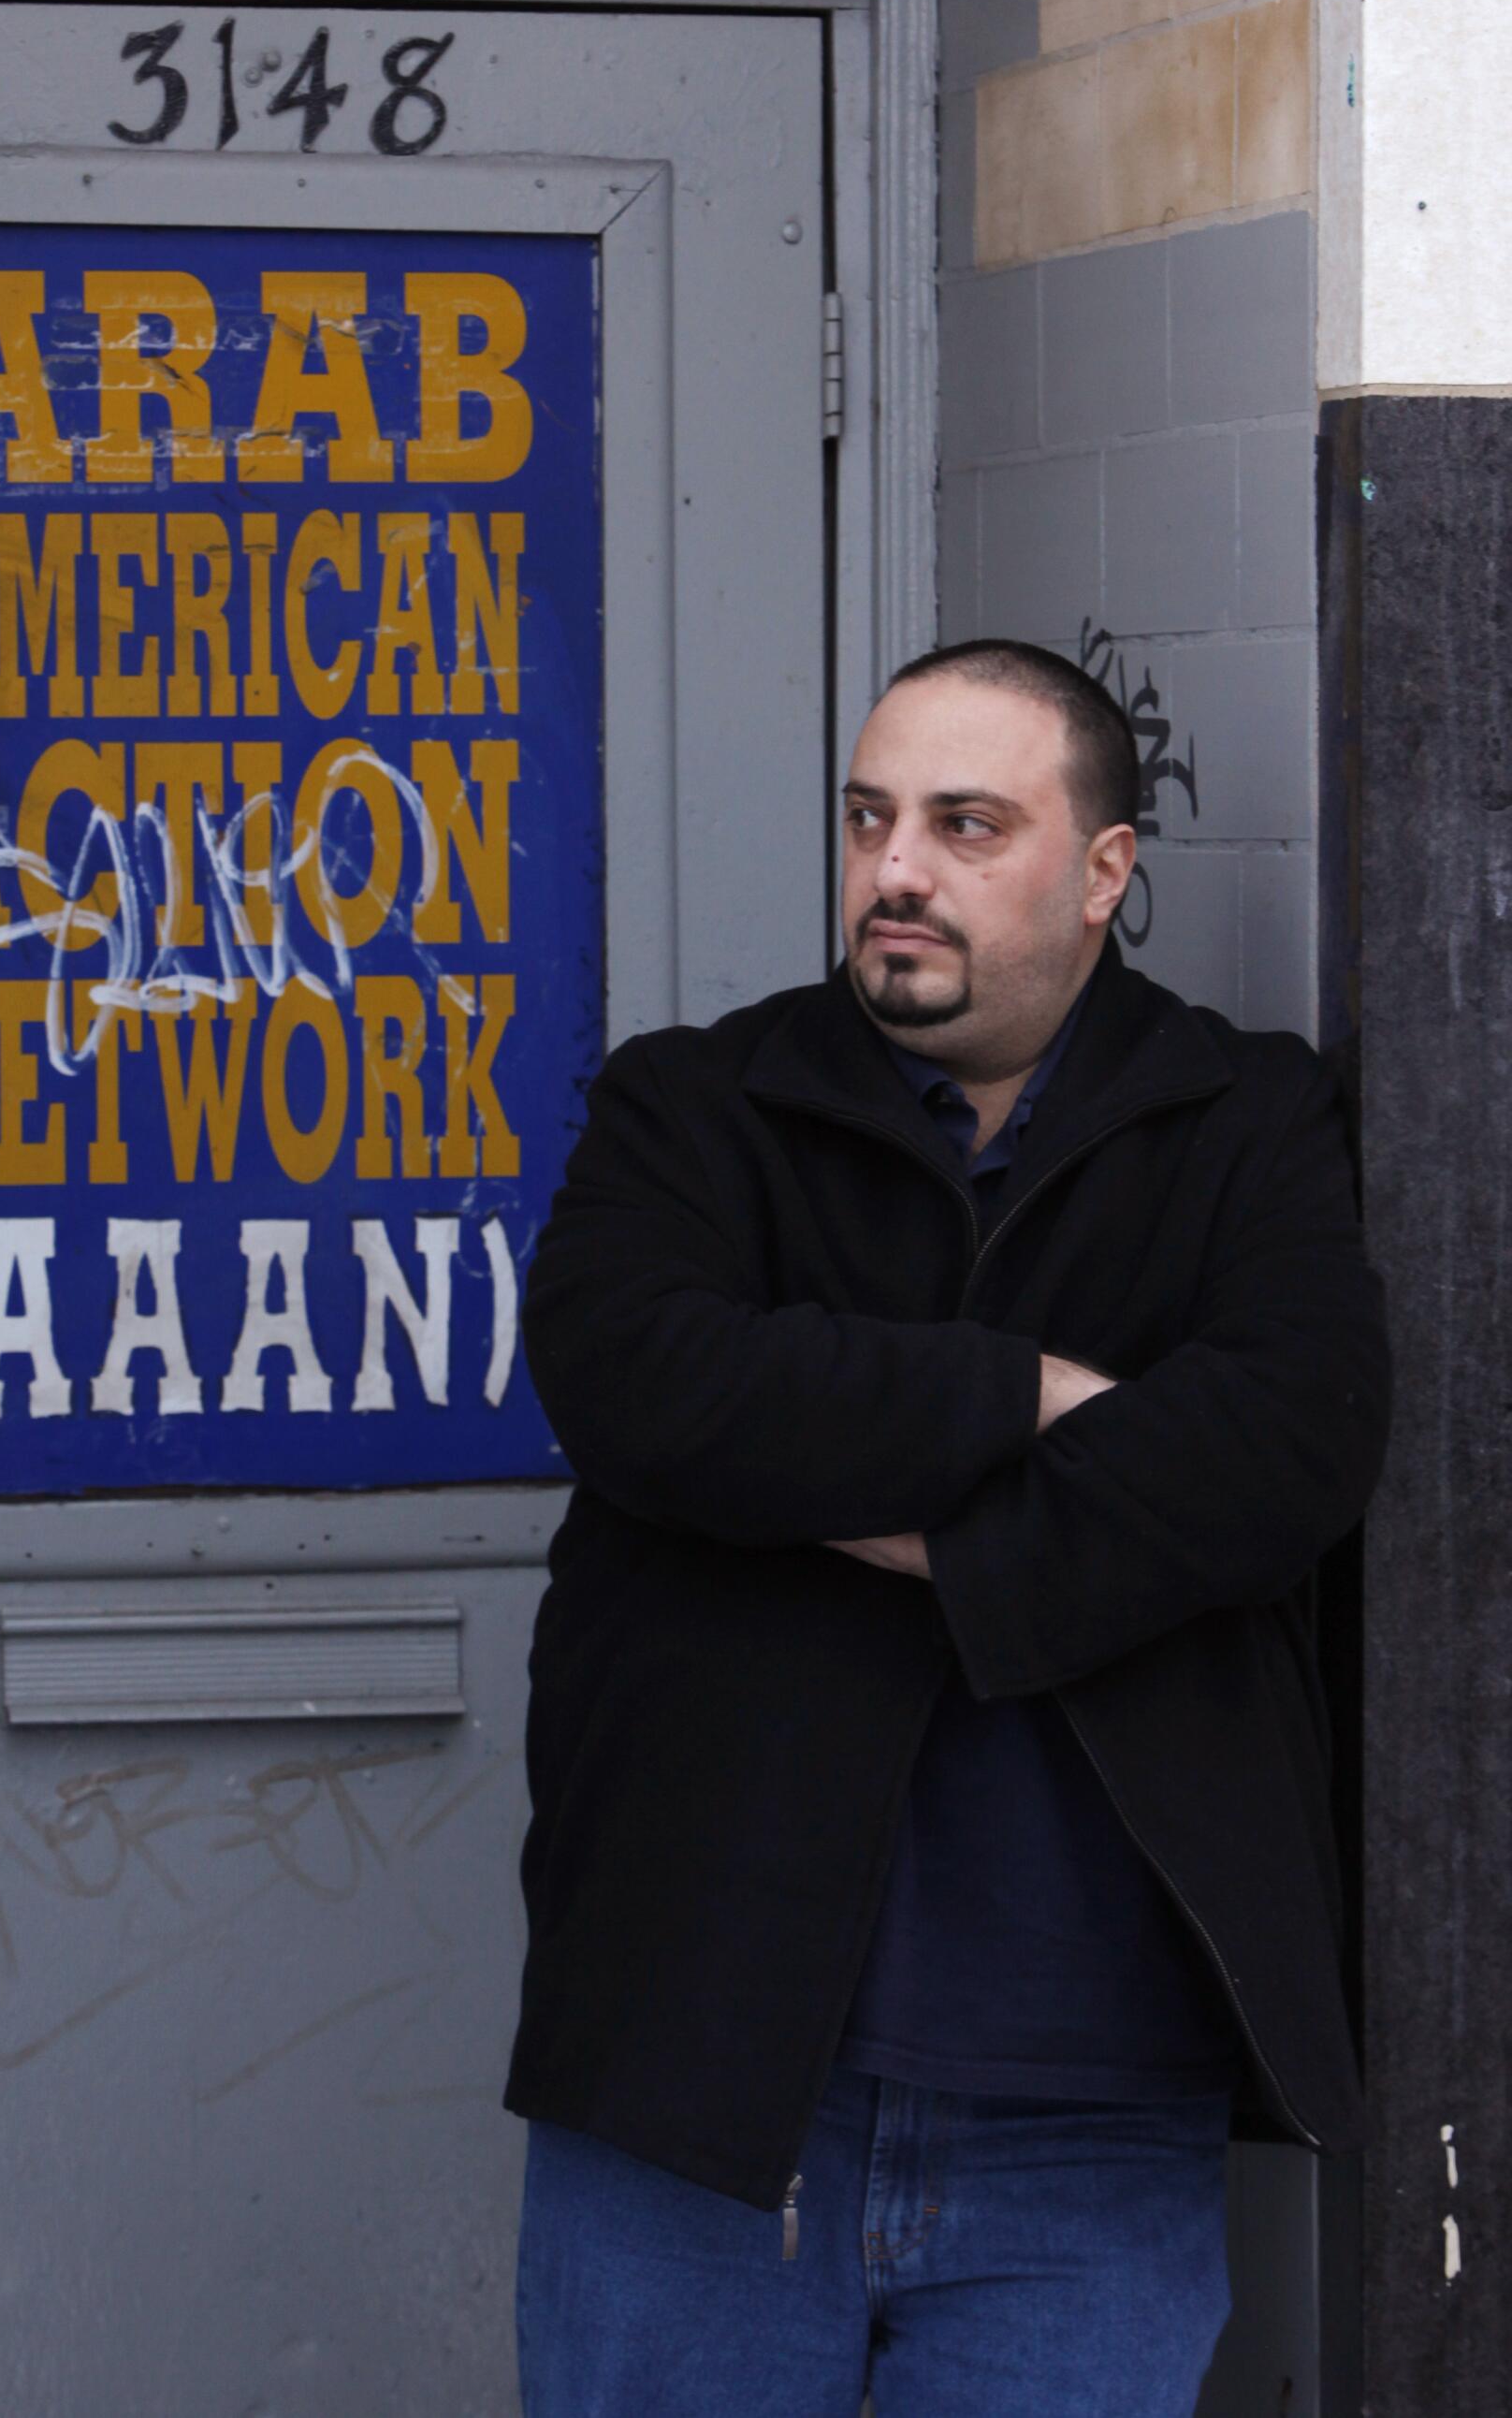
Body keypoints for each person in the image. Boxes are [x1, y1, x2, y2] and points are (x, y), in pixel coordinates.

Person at [503, 639, 1390, 2418]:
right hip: (701, 2083)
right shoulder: (698, 1107)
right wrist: (1046, 1404)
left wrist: (851, 1499)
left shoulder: (1250, 1124)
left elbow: (1283, 1455)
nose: (894, 870)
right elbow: (647, 1388)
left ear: (1104, 872)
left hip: (1092, 2119)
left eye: (966, 824)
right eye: (870, 817)